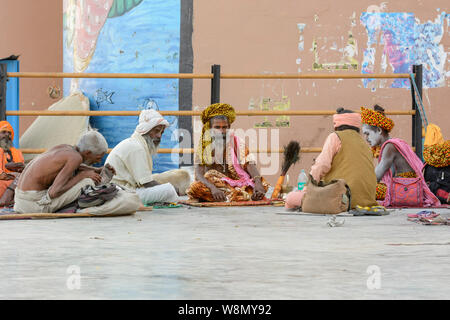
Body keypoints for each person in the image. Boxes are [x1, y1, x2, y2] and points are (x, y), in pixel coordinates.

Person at [14, 131, 140, 214]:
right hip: (33, 205)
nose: (99, 160)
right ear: (88, 153)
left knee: (89, 176)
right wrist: (83, 176)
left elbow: (74, 168)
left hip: (20, 200)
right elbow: (53, 193)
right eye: (98, 157)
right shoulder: (76, 158)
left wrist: (96, 170)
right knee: (89, 180)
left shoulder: (65, 148)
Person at [285, 108, 378, 210]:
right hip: (367, 202)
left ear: (336, 124)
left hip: (342, 200)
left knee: (290, 198)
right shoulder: (365, 144)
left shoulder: (335, 137)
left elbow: (322, 165)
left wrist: (309, 187)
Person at [105, 109, 191, 205]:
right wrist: (174, 190)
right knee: (168, 190)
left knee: (168, 180)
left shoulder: (137, 144)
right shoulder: (136, 147)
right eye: (156, 131)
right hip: (120, 194)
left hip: (123, 190)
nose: (159, 136)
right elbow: (147, 183)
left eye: (161, 133)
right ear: (146, 130)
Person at [361, 105, 440, 207]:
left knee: (365, 189)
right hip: (407, 187)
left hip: (406, 189)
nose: (366, 138)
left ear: (379, 130)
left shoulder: (390, 147)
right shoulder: (393, 144)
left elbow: (375, 177)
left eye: (367, 134)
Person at [187, 103, 268, 202]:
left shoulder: (237, 142)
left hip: (239, 184)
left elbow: (249, 164)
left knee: (263, 184)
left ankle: (237, 195)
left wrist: (258, 183)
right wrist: (213, 188)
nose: (222, 131)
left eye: (224, 127)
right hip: (215, 186)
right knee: (196, 187)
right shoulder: (204, 146)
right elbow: (199, 174)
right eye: (217, 127)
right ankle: (239, 196)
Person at [0, 121, 25, 206]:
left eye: (9, 133)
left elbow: (22, 170)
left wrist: (21, 168)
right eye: (3, 132)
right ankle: (5, 200)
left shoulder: (17, 152)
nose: (7, 135)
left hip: (15, 181)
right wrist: (7, 167)